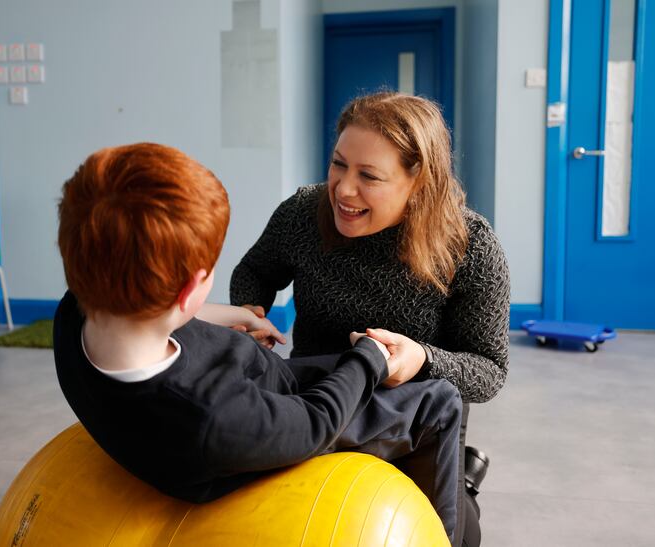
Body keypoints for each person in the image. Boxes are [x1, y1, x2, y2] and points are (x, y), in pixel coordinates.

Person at [52, 143, 464, 541]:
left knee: (355, 371)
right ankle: (451, 537)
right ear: (191, 287)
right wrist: (368, 358)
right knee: (440, 400)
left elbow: (160, 307)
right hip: (271, 424)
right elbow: (314, 423)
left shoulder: (81, 308)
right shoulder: (211, 418)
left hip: (260, 382)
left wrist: (238, 315)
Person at [230, 92, 511, 546]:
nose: (343, 189)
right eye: (338, 164)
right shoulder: (304, 212)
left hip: (411, 429)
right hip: (316, 407)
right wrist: (249, 308)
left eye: (369, 176)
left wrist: (421, 358)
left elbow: (489, 371)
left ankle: (464, 483)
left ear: (418, 180)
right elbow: (255, 270)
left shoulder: (471, 248)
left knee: (460, 537)